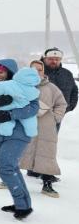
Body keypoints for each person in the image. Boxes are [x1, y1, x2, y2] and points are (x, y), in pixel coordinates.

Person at [0, 59, 40, 220]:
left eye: (2, 72)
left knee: (5, 167)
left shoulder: (25, 88)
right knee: (11, 168)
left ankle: (22, 205)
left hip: (18, 133)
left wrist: (11, 114)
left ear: (10, 72)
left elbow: (34, 107)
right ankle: (22, 204)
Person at [20, 60, 67, 198]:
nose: (37, 72)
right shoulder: (21, 86)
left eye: (39, 70)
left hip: (46, 127)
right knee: (18, 152)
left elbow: (61, 104)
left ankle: (47, 184)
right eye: (33, 70)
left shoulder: (51, 88)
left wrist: (55, 117)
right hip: (25, 125)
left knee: (46, 155)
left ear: (43, 71)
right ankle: (9, 180)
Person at [42, 47, 77, 116]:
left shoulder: (67, 74)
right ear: (45, 59)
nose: (54, 61)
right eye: (51, 59)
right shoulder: (38, 73)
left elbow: (74, 90)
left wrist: (70, 106)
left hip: (60, 113)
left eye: (57, 59)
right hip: (41, 115)